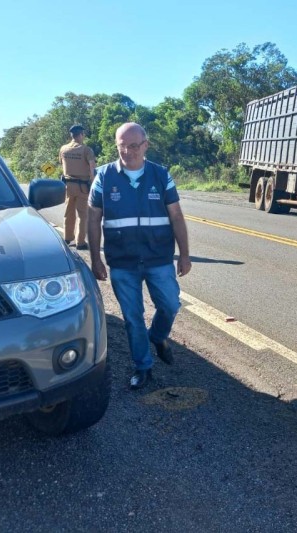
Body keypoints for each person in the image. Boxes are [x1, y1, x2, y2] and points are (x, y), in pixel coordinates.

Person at [87, 122, 192, 389]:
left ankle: (157, 335)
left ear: (145, 145)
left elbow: (176, 215)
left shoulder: (161, 175)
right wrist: (95, 258)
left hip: (158, 257)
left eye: (134, 145)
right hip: (122, 262)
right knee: (133, 317)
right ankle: (142, 367)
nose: (128, 151)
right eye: (122, 145)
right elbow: (93, 218)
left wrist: (185, 255)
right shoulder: (103, 177)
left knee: (170, 305)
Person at [59, 124, 96, 250]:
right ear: (81, 135)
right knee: (82, 214)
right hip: (82, 186)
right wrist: (92, 183)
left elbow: (62, 164)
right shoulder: (86, 150)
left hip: (68, 185)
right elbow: (92, 169)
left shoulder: (63, 149)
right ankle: (80, 242)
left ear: (71, 135)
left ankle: (67, 238)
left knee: (68, 212)